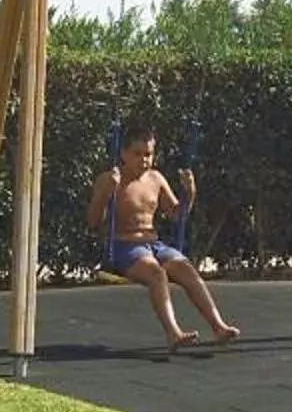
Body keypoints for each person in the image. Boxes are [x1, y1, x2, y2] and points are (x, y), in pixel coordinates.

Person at [86, 129, 238, 352]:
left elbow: (178, 215)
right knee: (157, 274)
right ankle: (173, 332)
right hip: (123, 247)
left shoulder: (156, 179)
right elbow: (92, 221)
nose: (144, 160)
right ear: (123, 154)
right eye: (137, 154)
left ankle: (218, 326)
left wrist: (190, 193)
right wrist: (104, 194)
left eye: (148, 154)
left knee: (187, 269)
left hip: (154, 244)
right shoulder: (109, 180)